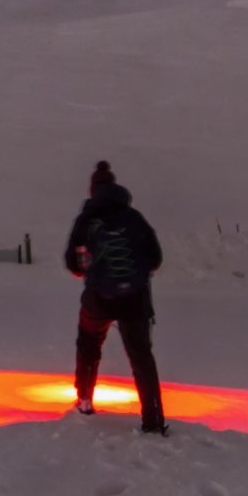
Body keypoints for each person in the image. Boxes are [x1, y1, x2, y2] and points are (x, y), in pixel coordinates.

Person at [64, 159, 167, 434]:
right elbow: (156, 258)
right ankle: (153, 421)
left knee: (88, 344)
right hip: (135, 299)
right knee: (142, 358)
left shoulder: (87, 220)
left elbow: (72, 264)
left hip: (98, 298)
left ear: (93, 190)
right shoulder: (134, 218)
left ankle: (85, 400)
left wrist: (89, 268)